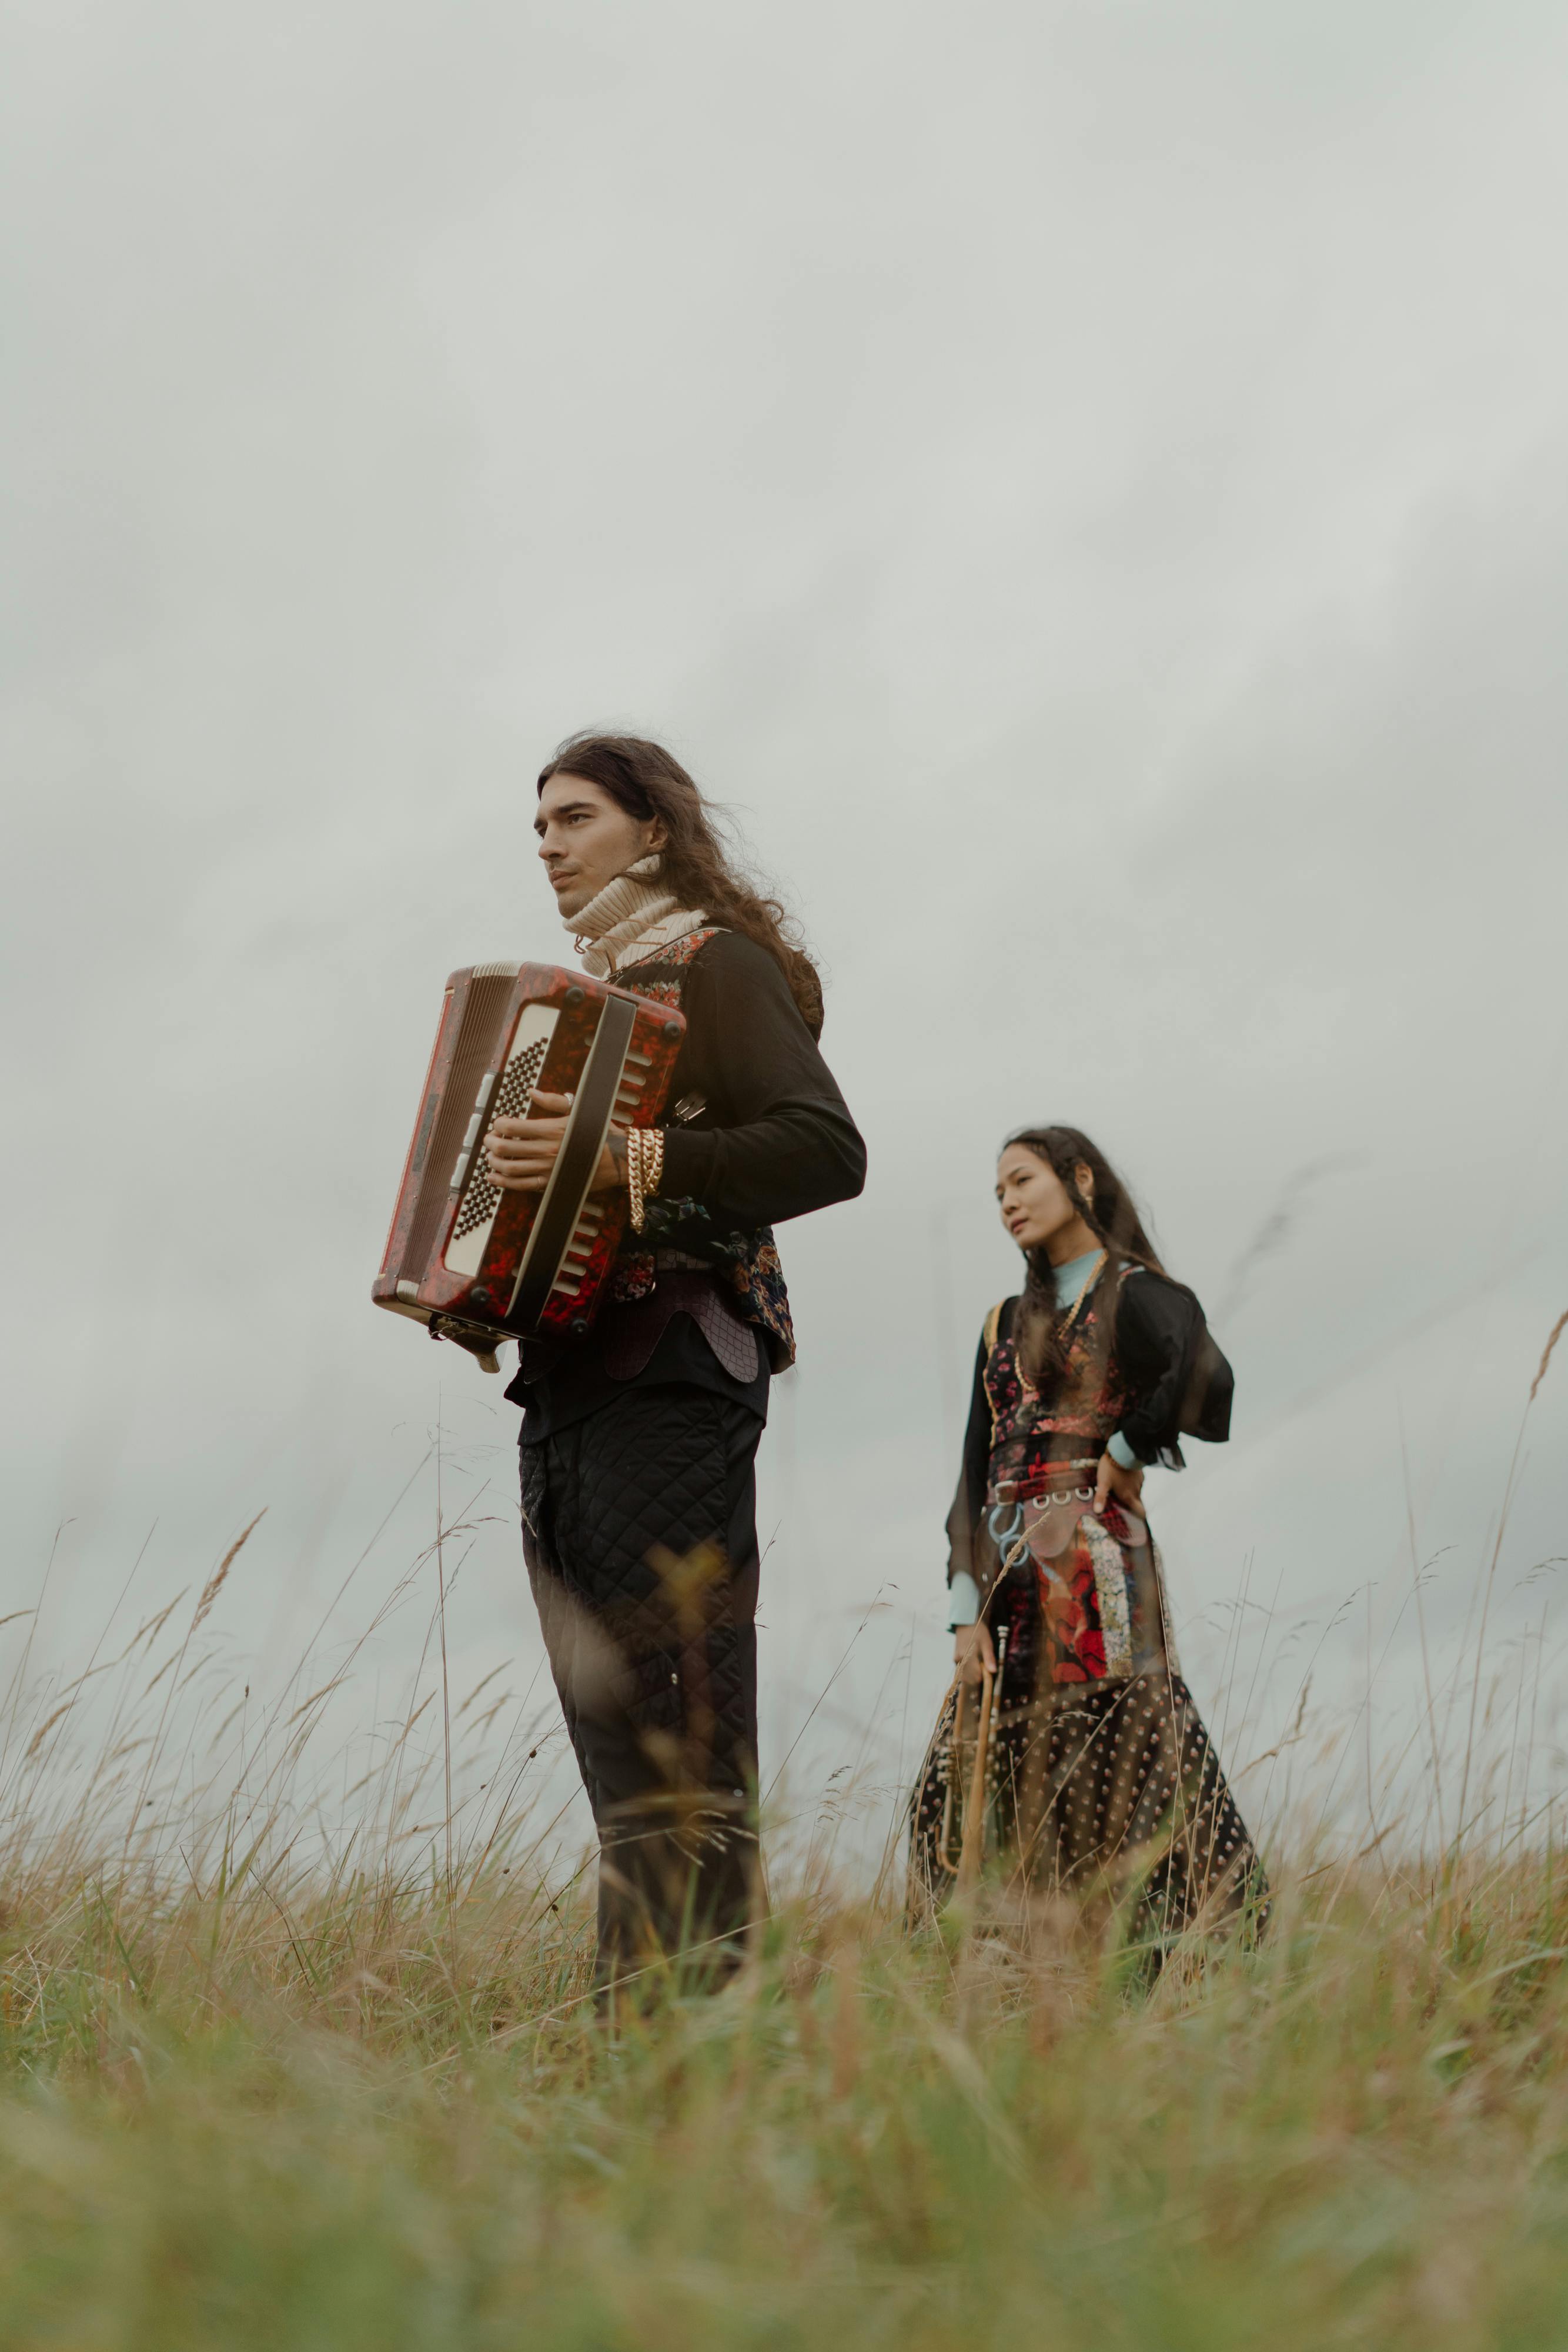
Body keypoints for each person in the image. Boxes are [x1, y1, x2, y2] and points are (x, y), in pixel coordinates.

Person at [485, 733, 865, 1992]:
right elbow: (547, 1204)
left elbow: (822, 1149)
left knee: (682, 1739)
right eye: (536, 822)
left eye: (574, 815)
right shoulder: (573, 1004)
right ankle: (641, 2057)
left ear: (653, 831)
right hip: (568, 1388)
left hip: (680, 1371)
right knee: (616, 1751)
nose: (547, 840)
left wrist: (625, 1164)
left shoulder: (720, 964)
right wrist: (481, 1283)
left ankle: (704, 2048)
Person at [910, 1125, 1266, 1956]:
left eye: (1022, 1181)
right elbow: (973, 1469)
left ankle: (1163, 1963)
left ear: (1079, 1179)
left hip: (1098, 1569)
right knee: (967, 1784)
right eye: (997, 1192)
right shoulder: (1000, 1323)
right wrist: (964, 1612)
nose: (1007, 1203)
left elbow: (1205, 1374)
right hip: (1002, 1584)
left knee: (1121, 1763)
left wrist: (1127, 1448)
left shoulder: (1134, 1292)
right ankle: (1021, 1974)